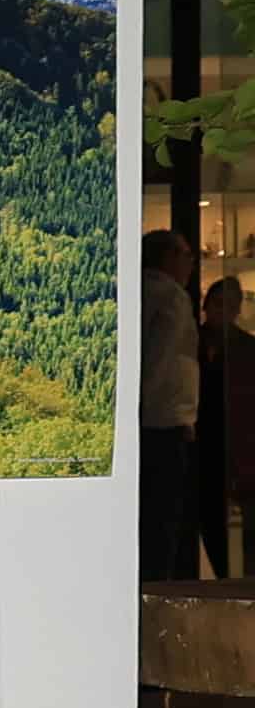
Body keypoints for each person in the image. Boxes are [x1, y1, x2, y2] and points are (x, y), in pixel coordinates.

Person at [149, 230, 202, 581]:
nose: (191, 263)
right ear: (167, 257)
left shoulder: (138, 290)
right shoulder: (170, 297)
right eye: (185, 255)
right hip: (163, 422)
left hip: (149, 420)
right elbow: (165, 362)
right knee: (164, 522)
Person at [210, 272, 250, 576]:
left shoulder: (248, 350)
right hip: (204, 446)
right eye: (216, 304)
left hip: (242, 449)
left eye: (227, 305)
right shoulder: (193, 340)